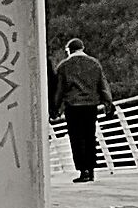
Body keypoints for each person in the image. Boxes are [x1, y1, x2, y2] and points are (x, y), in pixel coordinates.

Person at [48, 34, 117, 183]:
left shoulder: (64, 66)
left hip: (73, 107)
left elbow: (59, 90)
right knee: (90, 137)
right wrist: (108, 103)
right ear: (82, 48)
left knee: (76, 138)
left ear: (69, 50)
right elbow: (103, 85)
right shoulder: (94, 63)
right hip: (90, 106)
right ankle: (91, 170)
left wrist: (55, 108)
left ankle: (83, 170)